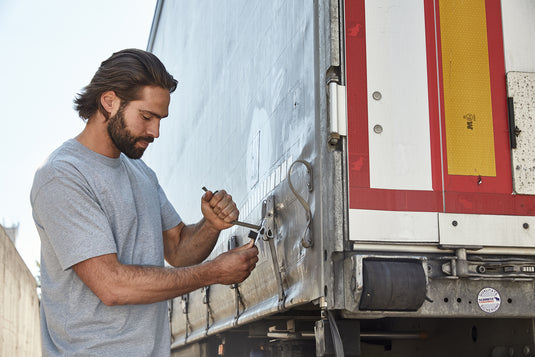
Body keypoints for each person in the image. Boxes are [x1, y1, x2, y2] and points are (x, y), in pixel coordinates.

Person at [30, 48, 259, 356]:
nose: (156, 131)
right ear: (109, 102)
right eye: (147, 117)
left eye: (160, 119)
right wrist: (214, 272)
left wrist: (211, 225)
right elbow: (112, 286)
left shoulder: (140, 172)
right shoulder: (62, 176)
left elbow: (178, 249)